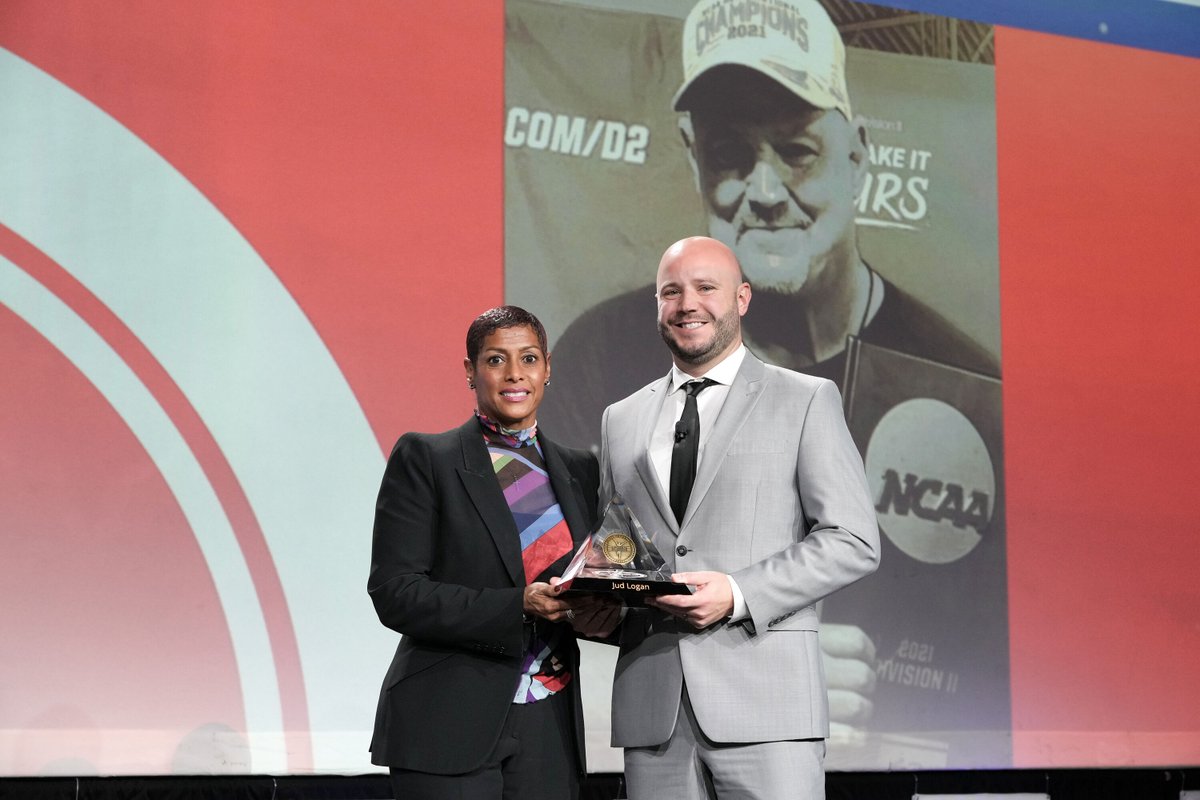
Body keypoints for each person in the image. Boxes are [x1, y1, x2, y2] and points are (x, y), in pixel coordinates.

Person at [537, 0, 1005, 760]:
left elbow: (983, 655)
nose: (762, 188)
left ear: (858, 155)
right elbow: (587, 578)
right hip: (666, 729)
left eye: (796, 151)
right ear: (693, 155)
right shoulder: (601, 361)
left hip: (847, 755)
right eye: (729, 153)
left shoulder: (967, 387)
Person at [600, 235, 880, 798]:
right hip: (654, 714)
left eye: (706, 287)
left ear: (742, 298)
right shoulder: (620, 418)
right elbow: (619, 548)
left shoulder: (804, 399)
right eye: (671, 292)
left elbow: (852, 539)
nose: (687, 304)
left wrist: (737, 593)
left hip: (768, 708)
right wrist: (599, 603)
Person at [367, 305, 609, 800]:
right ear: (470, 371)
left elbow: (587, 584)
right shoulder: (427, 459)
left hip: (550, 721)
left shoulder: (581, 469)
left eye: (529, 358)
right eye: (496, 360)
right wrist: (518, 605)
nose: (515, 374)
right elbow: (396, 593)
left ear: (547, 368)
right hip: (448, 719)